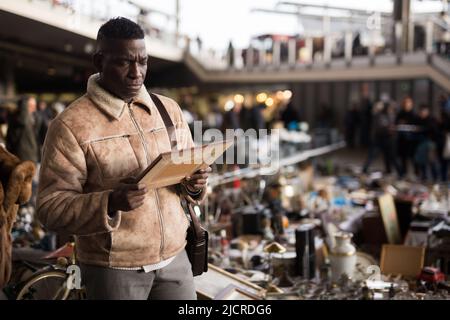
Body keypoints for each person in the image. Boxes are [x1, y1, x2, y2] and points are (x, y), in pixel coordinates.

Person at [36, 17, 210, 300]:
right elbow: (50, 208)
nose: (136, 73)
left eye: (142, 61)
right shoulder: (71, 125)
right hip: (113, 270)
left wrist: (195, 183)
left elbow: (188, 187)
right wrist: (110, 202)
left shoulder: (168, 110)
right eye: (124, 62)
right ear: (99, 62)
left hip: (176, 259)